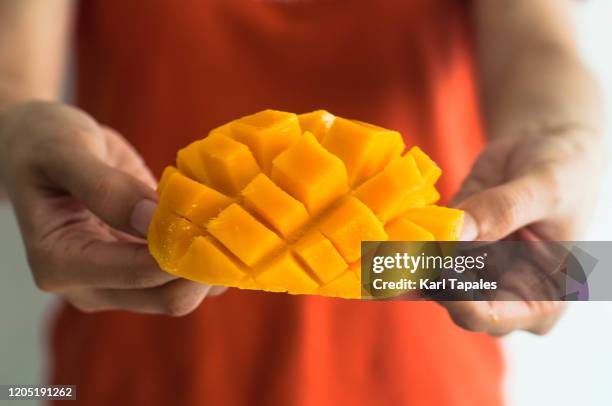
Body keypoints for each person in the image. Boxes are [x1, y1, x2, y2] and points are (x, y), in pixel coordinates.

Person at [0, 0, 605, 405]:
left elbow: (539, 44)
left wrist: (566, 144)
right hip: (137, 370)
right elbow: (12, 72)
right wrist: (16, 130)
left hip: (423, 362)